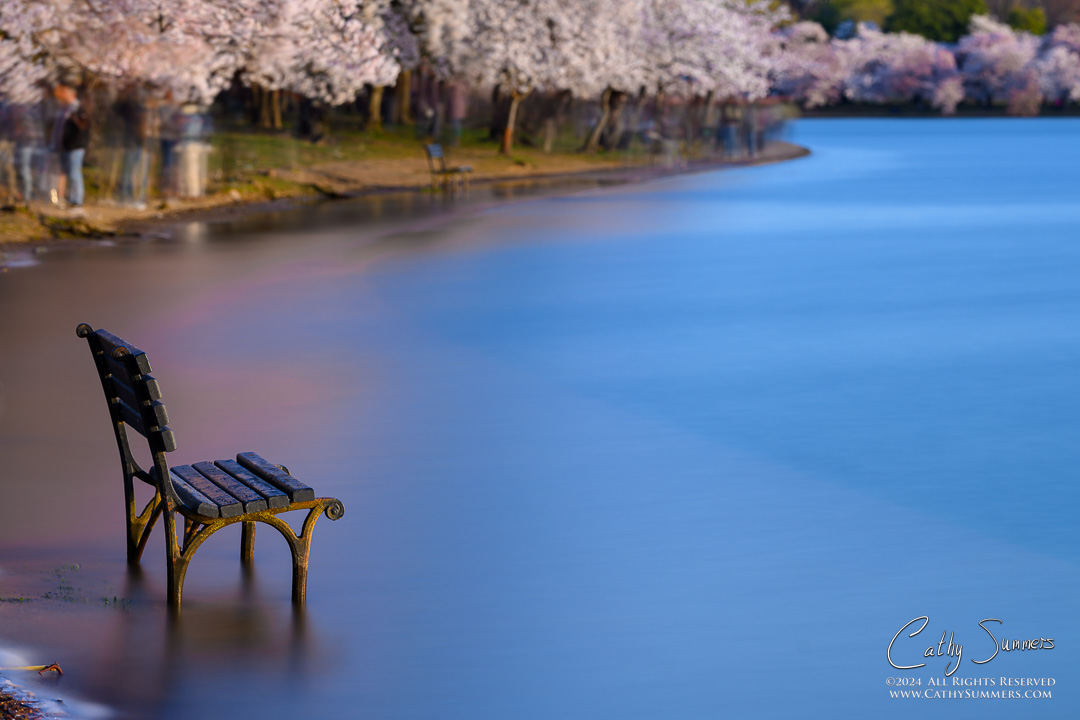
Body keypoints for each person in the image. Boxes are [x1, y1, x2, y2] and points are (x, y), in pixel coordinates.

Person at [53, 84, 90, 210]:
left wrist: (76, 119)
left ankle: (77, 200)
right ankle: (61, 198)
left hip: (76, 146)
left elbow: (84, 126)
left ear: (71, 94)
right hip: (64, 146)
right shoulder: (64, 109)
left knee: (75, 173)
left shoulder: (80, 108)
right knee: (63, 173)